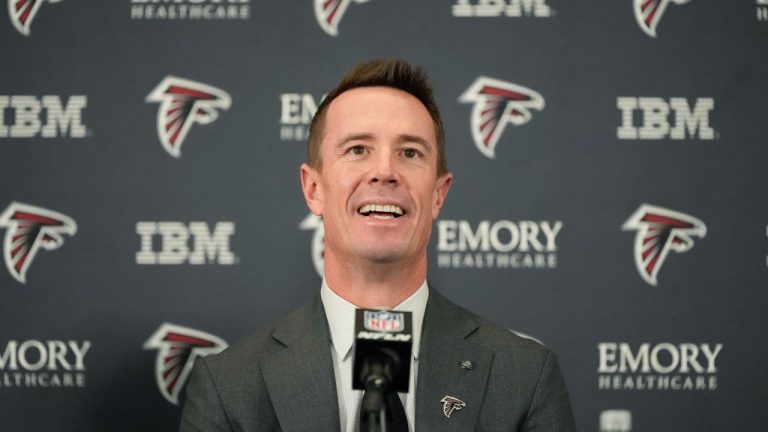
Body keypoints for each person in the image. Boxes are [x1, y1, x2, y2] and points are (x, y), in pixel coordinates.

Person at [179, 59, 576, 432]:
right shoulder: (227, 385)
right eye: (358, 149)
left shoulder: (525, 376)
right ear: (313, 189)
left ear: (439, 194)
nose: (385, 171)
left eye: (410, 152)